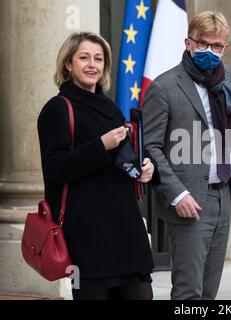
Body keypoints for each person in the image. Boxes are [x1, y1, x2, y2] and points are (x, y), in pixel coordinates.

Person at [37, 32, 159, 300]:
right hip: (86, 234)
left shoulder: (111, 108)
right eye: (84, 57)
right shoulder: (57, 109)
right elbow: (55, 168)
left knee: (141, 295)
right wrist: (99, 146)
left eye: (99, 59)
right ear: (68, 64)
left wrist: (146, 166)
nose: (92, 64)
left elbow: (124, 158)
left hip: (125, 226)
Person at [142, 11, 231, 300]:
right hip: (190, 199)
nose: (210, 52)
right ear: (188, 43)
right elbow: (151, 147)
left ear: (225, 48)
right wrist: (177, 194)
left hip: (223, 193)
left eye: (217, 46)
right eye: (203, 44)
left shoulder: (227, 75)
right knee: (188, 292)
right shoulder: (164, 86)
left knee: (210, 290)